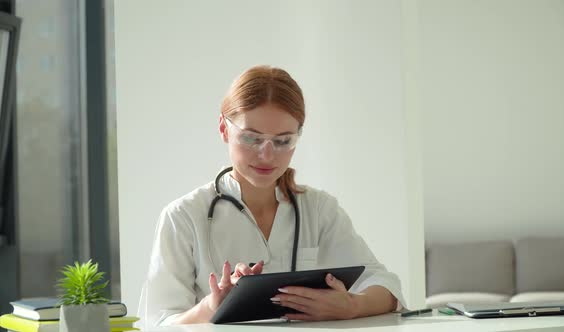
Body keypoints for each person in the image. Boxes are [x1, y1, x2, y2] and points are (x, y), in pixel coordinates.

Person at [139, 65, 405, 327]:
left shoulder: (319, 209)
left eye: (282, 141)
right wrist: (211, 307)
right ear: (224, 129)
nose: (267, 155)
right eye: (252, 139)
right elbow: (158, 324)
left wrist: (352, 306)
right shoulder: (183, 217)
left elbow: (386, 286)